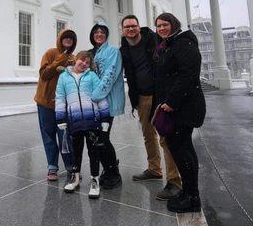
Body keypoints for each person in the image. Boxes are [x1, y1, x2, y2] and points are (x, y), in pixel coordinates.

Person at [120, 15, 182, 200]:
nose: (130, 29)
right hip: (141, 97)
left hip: (160, 95)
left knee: (166, 138)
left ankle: (174, 181)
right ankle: (154, 169)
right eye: (126, 27)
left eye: (133, 26)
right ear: (122, 30)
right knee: (148, 135)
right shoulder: (123, 48)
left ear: (139, 27)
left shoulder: (154, 39)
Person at [152, 13, 206, 213]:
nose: (161, 28)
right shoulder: (170, 43)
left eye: (165, 24)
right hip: (178, 106)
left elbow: (188, 74)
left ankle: (192, 197)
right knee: (183, 149)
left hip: (183, 107)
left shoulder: (183, 43)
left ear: (174, 24)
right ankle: (190, 192)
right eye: (158, 26)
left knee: (182, 150)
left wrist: (171, 102)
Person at [55, 51, 110, 198]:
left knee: (93, 152)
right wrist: (60, 119)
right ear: (75, 59)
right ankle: (75, 177)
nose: (84, 64)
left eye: (87, 62)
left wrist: (105, 118)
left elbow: (101, 96)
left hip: (92, 120)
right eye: (82, 60)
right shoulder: (63, 77)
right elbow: (60, 98)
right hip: (74, 121)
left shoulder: (92, 76)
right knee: (76, 151)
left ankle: (94, 180)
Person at [34, 28, 77, 181]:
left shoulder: (73, 57)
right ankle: (52, 167)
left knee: (65, 136)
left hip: (63, 104)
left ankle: (70, 166)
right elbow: (44, 74)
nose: (68, 41)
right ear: (60, 39)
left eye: (71, 39)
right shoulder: (50, 53)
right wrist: (60, 60)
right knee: (48, 135)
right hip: (45, 101)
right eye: (65, 38)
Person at [88, 22, 125, 189]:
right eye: (96, 32)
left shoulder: (112, 51)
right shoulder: (93, 53)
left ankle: (113, 172)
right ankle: (108, 168)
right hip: (93, 103)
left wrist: (95, 95)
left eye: (102, 32)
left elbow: (110, 75)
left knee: (103, 137)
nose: (99, 34)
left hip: (105, 102)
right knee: (97, 138)